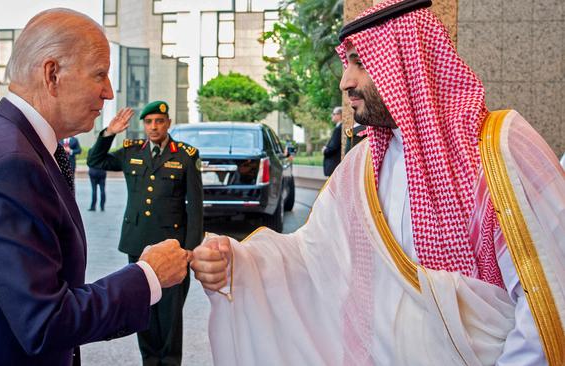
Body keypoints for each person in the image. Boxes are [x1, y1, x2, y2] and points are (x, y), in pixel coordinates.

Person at [191, 0, 565, 365]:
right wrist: (237, 264)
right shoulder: (361, 167)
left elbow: (549, 302)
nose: (345, 81)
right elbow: (311, 257)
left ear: (407, 63)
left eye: (360, 62)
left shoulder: (501, 148)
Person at [0, 9, 190, 365]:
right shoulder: (10, 163)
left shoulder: (9, 143)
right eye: (100, 75)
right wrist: (148, 275)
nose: (108, 92)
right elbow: (45, 321)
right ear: (52, 74)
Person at [87, 101, 203, 365]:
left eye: (159, 121)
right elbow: (96, 160)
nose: (154, 127)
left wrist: (190, 248)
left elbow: (195, 206)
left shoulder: (186, 155)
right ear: (144, 125)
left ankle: (170, 362)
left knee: (170, 315)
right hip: (138, 244)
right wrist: (109, 133)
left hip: (174, 246)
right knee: (145, 309)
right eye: (149, 122)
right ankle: (149, 361)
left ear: (168, 123)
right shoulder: (132, 151)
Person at [322, 106, 343, 176]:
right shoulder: (339, 127)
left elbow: (333, 148)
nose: (332, 116)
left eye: (334, 114)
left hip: (334, 165)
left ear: (340, 115)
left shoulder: (339, 129)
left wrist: (325, 150)